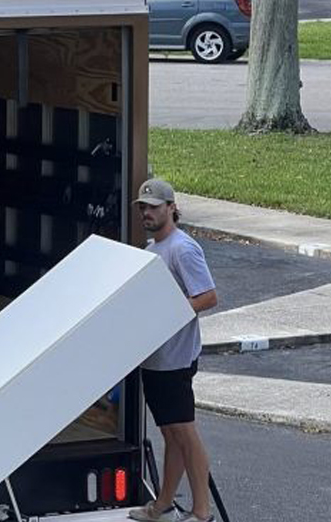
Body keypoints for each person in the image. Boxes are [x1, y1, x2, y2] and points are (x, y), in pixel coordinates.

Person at [128, 178, 218, 522]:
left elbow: (208, 296)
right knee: (170, 433)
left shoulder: (182, 248)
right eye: (142, 207)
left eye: (152, 206)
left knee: (184, 432)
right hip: (156, 359)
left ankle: (201, 512)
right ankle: (163, 504)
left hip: (176, 360)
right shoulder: (152, 252)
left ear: (171, 208)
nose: (146, 213)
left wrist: (170, 311)